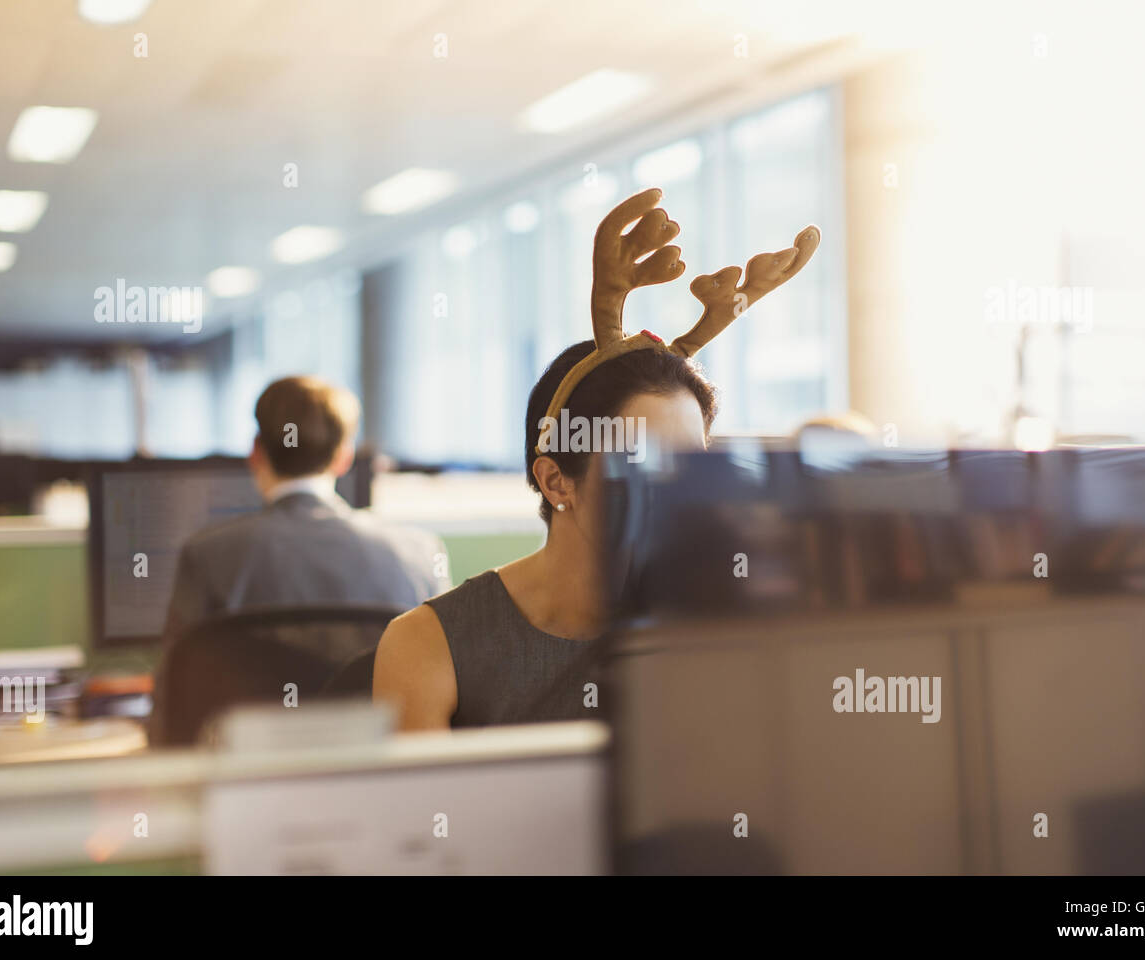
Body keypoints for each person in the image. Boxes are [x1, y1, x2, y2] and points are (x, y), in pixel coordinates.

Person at [373, 188, 820, 730]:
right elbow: (425, 816)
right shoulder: (430, 644)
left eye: (691, 467)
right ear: (557, 481)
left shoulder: (720, 627)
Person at [151, 376, 450, 739]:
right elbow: (444, 706)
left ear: (256, 452)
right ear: (344, 456)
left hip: (250, 783)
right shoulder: (418, 555)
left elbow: (170, 713)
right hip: (376, 782)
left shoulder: (206, 556)